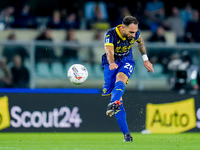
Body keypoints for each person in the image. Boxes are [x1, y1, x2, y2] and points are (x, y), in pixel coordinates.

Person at [102, 16, 154, 142]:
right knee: (118, 99)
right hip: (111, 63)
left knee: (121, 78)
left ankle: (113, 103)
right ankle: (127, 135)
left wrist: (145, 59)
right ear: (123, 28)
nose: (134, 34)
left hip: (127, 60)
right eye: (131, 32)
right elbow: (109, 52)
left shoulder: (135, 34)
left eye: (135, 31)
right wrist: (112, 62)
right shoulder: (110, 34)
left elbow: (140, 43)